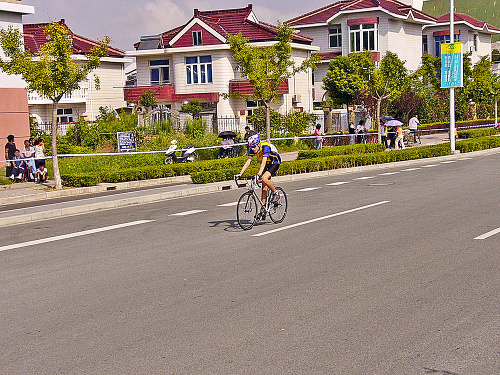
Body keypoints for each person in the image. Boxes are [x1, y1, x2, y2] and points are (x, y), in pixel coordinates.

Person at [235, 132, 281, 219]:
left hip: (274, 163)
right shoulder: (252, 148)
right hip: (266, 164)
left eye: (254, 146)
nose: (253, 149)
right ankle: (263, 210)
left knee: (264, 178)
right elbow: (248, 161)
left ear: (259, 143)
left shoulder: (265, 147)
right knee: (264, 189)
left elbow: (263, 161)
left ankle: (276, 193)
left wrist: (259, 174)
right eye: (251, 147)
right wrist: (240, 173)